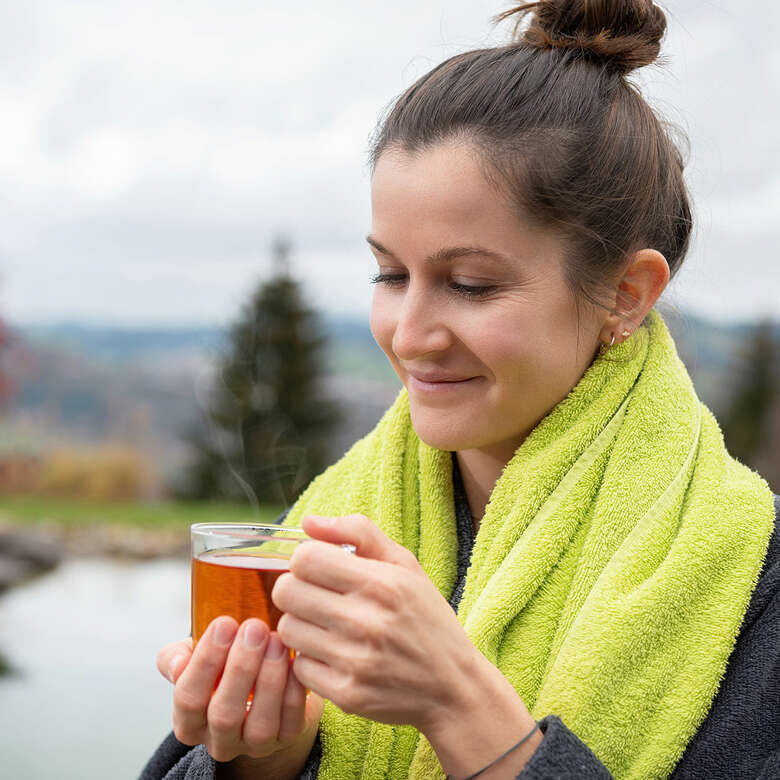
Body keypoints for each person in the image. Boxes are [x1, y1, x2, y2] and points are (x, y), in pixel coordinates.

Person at [141, 1, 779, 778]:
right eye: (390, 273)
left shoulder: (751, 577)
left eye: (470, 284)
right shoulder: (321, 531)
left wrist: (459, 706)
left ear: (627, 293)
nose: (409, 335)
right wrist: (269, 759)